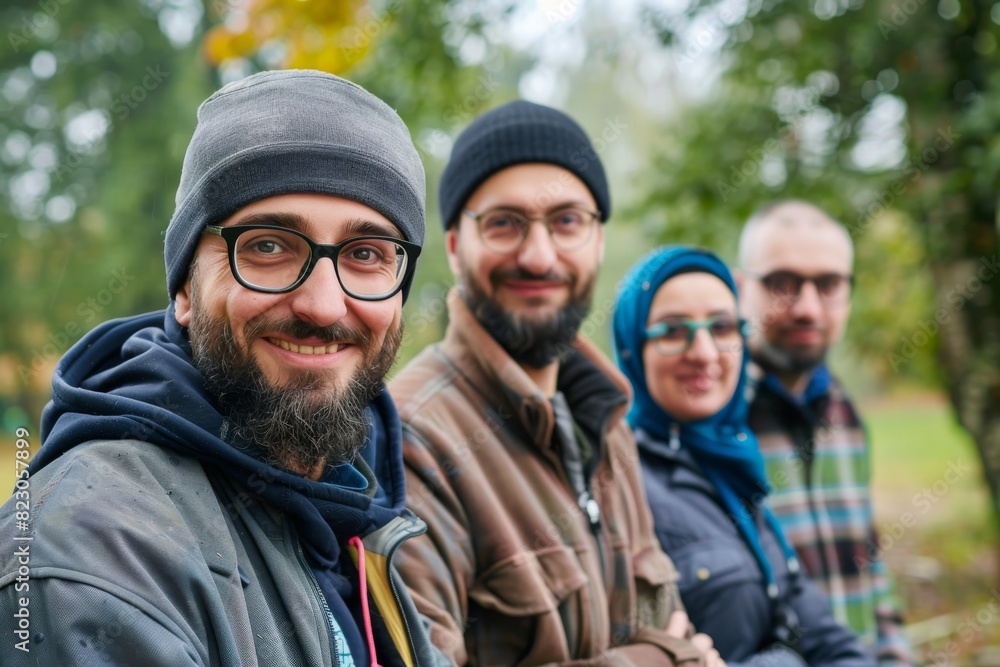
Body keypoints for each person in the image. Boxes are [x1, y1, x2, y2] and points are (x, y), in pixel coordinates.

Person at [0, 70, 447, 666]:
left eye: (365, 255)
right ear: (185, 288)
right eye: (267, 246)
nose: (321, 305)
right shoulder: (95, 555)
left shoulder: (355, 512)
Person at [389, 100, 719, 665]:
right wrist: (666, 660)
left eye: (567, 221)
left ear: (597, 241)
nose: (538, 256)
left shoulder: (607, 421)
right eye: (503, 224)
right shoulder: (412, 440)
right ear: (453, 246)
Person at [612, 245, 874, 665]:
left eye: (722, 327)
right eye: (673, 331)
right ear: (632, 349)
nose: (704, 352)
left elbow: (825, 636)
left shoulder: (733, 469)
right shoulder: (617, 484)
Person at [736, 200, 914, 663]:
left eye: (829, 284)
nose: (808, 307)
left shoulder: (844, 412)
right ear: (740, 290)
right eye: (781, 283)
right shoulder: (713, 421)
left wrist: (893, 652)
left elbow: (869, 566)